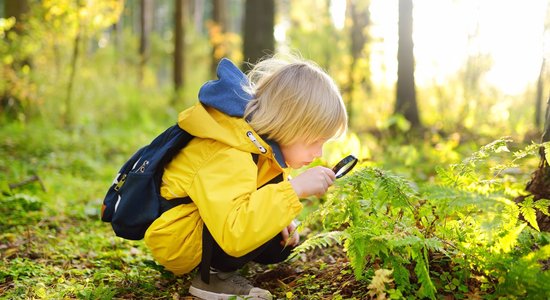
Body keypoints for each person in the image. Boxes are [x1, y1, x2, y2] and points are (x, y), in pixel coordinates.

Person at [144, 54, 347, 300]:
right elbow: (234, 229)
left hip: (210, 224)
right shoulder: (230, 150)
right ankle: (212, 280)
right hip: (178, 239)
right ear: (288, 124)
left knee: (278, 244)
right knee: (254, 232)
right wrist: (293, 190)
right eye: (314, 141)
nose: (318, 153)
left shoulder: (263, 148)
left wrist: (279, 216)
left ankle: (218, 265)